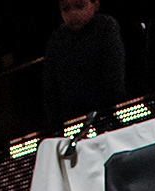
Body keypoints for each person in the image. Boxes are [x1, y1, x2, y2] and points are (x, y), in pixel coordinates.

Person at [42, 0, 126, 129]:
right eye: (66, 9)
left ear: (96, 5)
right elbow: (50, 88)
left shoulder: (106, 26)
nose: (73, 13)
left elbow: (114, 75)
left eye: (80, 6)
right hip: (73, 120)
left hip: (108, 112)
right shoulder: (57, 39)